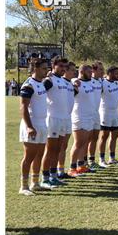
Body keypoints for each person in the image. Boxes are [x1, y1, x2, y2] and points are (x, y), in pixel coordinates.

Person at [18, 58, 50, 195]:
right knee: (29, 156)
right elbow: (23, 107)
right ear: (35, 69)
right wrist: (29, 126)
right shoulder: (28, 85)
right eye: (44, 68)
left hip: (42, 123)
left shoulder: (41, 83)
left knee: (39, 155)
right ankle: (24, 187)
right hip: (32, 123)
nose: (46, 70)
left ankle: (35, 183)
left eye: (47, 68)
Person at [40, 56, 70, 189]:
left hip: (63, 118)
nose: (63, 69)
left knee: (58, 149)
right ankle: (44, 179)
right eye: (61, 66)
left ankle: (53, 176)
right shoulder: (49, 80)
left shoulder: (63, 81)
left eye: (65, 67)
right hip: (52, 119)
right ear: (53, 66)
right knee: (50, 149)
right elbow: (39, 93)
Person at [68, 64, 95, 177]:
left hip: (89, 116)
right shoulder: (76, 81)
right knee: (78, 143)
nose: (91, 74)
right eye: (89, 72)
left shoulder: (90, 82)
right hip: (79, 116)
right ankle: (72, 168)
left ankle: (81, 166)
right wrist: (74, 84)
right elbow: (72, 86)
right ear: (82, 71)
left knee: (84, 143)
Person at [98, 66, 118, 166]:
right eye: (115, 73)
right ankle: (101, 159)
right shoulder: (103, 82)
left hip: (115, 112)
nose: (117, 75)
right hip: (105, 112)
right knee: (104, 136)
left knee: (115, 135)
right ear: (109, 73)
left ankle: (112, 158)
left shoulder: (117, 83)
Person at [57, 62, 77, 179]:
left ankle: (61, 170)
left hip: (67, 117)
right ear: (65, 70)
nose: (74, 72)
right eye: (72, 70)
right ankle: (52, 172)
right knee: (56, 147)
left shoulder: (71, 83)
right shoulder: (60, 81)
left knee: (63, 146)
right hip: (57, 118)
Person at [87, 61, 104, 170]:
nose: (103, 72)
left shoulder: (100, 82)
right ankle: (82, 162)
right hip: (86, 114)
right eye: (100, 69)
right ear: (93, 70)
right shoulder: (86, 81)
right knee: (85, 139)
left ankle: (91, 160)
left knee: (94, 138)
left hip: (96, 113)